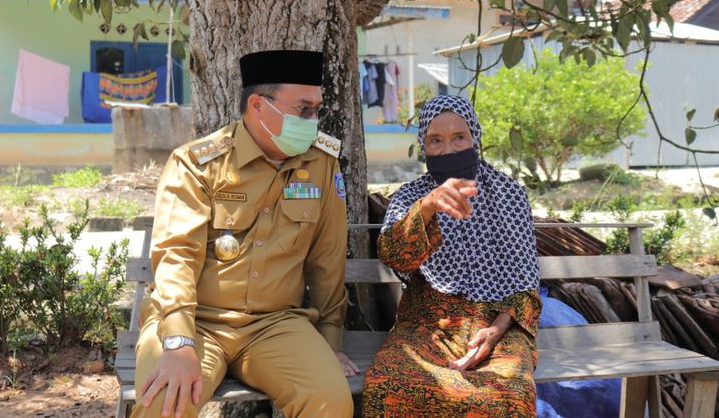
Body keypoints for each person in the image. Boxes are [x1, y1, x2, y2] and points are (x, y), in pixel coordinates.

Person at [132, 50, 359, 418]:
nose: (313, 120)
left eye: (317, 110)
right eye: (303, 110)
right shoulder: (198, 164)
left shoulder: (321, 164)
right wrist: (177, 342)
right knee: (164, 405)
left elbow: (327, 260)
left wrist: (330, 339)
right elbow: (176, 258)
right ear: (257, 105)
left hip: (276, 325)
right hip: (197, 322)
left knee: (330, 403)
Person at [362, 94, 541, 417]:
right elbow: (394, 256)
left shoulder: (510, 195)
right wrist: (428, 207)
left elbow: (526, 284)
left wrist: (497, 330)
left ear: (475, 136)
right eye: (435, 140)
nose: (448, 150)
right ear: (424, 146)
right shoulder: (411, 197)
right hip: (426, 325)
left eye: (459, 137)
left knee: (510, 394)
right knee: (388, 383)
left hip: (496, 326)